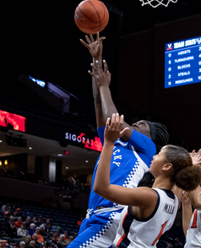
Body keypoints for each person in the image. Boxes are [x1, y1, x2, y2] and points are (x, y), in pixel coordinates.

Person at [67, 34, 170, 248]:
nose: (135, 124)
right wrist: (97, 58)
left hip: (110, 217)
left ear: (148, 135)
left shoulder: (148, 149)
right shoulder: (114, 142)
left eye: (141, 124)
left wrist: (106, 87)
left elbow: (116, 120)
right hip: (93, 217)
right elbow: (98, 104)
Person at [94, 113, 201, 248]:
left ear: (167, 166)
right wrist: (187, 164)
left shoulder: (148, 196)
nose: (154, 156)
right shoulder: (174, 201)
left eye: (159, 154)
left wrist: (109, 144)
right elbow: (177, 183)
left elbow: (101, 188)